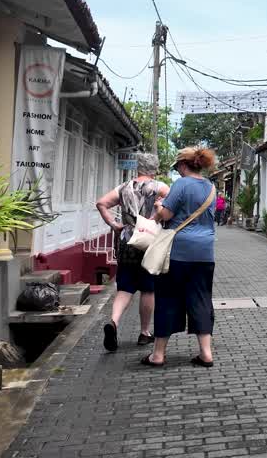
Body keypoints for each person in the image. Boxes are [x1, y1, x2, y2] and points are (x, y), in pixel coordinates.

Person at [144, 146, 219, 368]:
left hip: (178, 252)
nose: (177, 171)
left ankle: (158, 355)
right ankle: (206, 353)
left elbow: (166, 214)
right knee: (201, 300)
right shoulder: (211, 187)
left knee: (168, 299)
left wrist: (159, 207)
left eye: (177, 167)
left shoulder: (181, 184)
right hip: (205, 253)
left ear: (184, 165)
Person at [95, 152, 168, 352]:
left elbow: (101, 203)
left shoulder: (123, 187)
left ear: (138, 167)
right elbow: (170, 210)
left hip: (127, 241)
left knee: (125, 287)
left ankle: (114, 322)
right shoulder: (161, 188)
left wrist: (114, 225)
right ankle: (144, 333)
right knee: (148, 288)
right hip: (149, 242)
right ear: (155, 169)